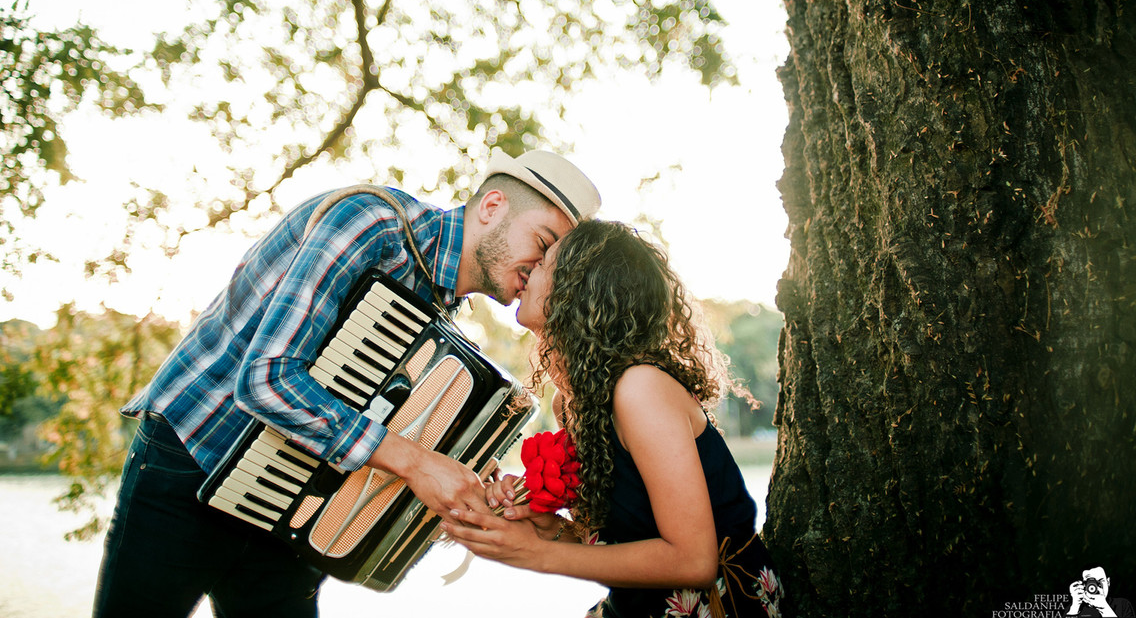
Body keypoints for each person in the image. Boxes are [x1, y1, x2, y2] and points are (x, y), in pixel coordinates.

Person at [92, 148, 601, 618]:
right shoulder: (371, 223)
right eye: (543, 244)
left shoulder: (443, 313)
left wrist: (471, 481)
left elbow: (367, 410)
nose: (542, 272)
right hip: (190, 461)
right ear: (491, 206)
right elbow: (267, 381)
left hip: (281, 502)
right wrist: (419, 463)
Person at [442, 219, 784, 618]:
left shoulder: (641, 390)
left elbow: (695, 562)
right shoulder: (571, 404)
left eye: (545, 263)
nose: (531, 268)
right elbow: (614, 547)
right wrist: (545, 527)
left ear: (578, 292)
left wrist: (537, 554)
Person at [1068, 567, 1135, 617]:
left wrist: (1104, 608)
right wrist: (1074, 608)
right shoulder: (1074, 608)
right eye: (1090, 582)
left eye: (1100, 581)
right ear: (1082, 585)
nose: (1096, 587)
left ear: (1108, 582)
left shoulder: (1122, 605)